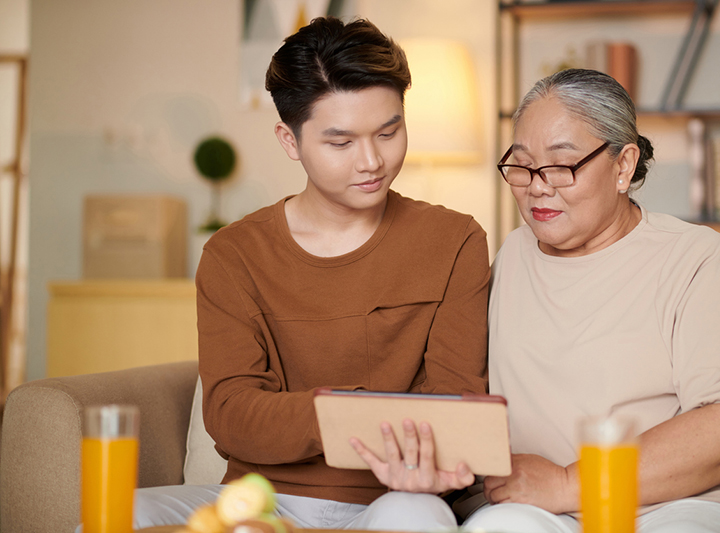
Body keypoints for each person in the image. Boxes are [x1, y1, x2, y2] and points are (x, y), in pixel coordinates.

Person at [128, 16, 489, 531]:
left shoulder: (455, 241)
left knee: (413, 518)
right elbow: (231, 416)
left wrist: (326, 418)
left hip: (394, 498)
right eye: (340, 143)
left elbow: (458, 410)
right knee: (119, 512)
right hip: (259, 499)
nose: (372, 161)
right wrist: (346, 414)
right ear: (290, 140)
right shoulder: (233, 255)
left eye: (389, 132)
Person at [458, 68, 720, 533]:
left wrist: (569, 483)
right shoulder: (510, 257)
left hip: (683, 507)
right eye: (521, 164)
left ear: (623, 166)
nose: (536, 185)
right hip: (540, 512)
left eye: (561, 164)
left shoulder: (695, 257)